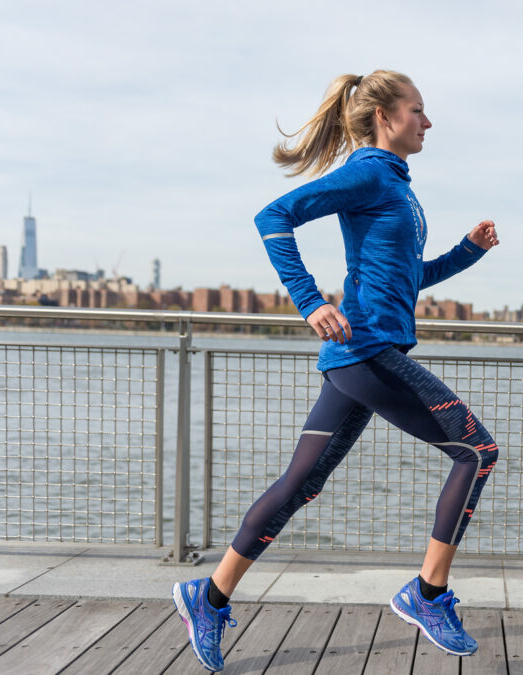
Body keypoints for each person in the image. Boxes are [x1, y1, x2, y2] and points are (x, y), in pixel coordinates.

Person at [172, 69, 500, 672]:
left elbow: (408, 278)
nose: (428, 122)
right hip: (369, 353)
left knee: (301, 483)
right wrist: (310, 301)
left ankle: (208, 597)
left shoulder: (395, 185)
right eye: (418, 111)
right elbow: (274, 216)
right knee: (477, 452)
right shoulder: (371, 172)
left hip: (363, 356)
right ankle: (426, 595)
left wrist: (466, 253)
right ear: (385, 117)